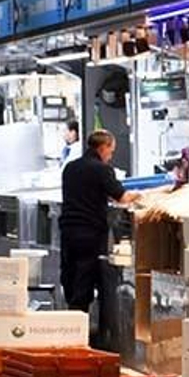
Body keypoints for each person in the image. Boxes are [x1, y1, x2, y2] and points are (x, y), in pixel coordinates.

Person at [59, 129, 140, 314]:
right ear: (103, 147)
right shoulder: (102, 169)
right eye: (111, 151)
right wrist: (142, 195)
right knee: (85, 277)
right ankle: (79, 327)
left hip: (68, 230)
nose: (110, 157)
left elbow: (89, 192)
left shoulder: (70, 168)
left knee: (70, 274)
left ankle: (69, 321)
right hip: (90, 233)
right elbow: (122, 197)